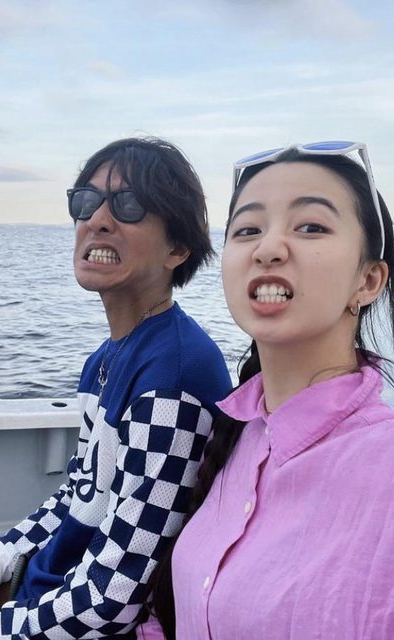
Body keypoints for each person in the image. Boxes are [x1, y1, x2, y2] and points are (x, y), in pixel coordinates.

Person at [0, 137, 231, 640]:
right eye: (86, 201)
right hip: (46, 590)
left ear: (178, 247)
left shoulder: (173, 377)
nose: (98, 219)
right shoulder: (104, 359)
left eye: (129, 204)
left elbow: (113, 600)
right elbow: (78, 496)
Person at [138, 141, 394, 639]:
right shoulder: (237, 435)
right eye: (248, 229)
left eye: (311, 227)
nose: (268, 248)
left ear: (368, 280)